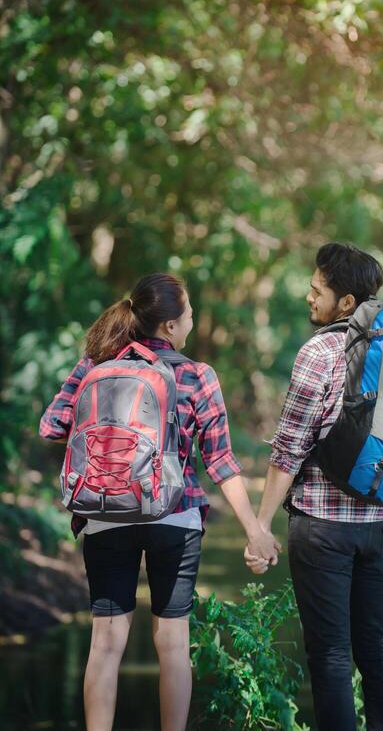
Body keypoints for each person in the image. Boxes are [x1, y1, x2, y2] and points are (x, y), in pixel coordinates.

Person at [40, 272, 280, 731]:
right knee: (171, 640)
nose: (191, 321)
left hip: (104, 515)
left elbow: (52, 427)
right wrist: (256, 530)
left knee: (106, 641)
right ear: (170, 325)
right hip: (176, 514)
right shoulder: (196, 375)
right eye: (188, 315)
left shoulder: (94, 364)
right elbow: (221, 462)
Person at [245, 243, 383, 731]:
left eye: (318, 290)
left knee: (332, 657)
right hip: (382, 526)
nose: (308, 297)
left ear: (346, 302)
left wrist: (261, 525)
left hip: (323, 530)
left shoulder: (320, 351)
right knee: (379, 653)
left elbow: (289, 447)